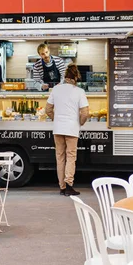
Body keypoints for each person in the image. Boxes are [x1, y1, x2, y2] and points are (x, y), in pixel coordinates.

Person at [45, 64, 89, 196]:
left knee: (60, 157)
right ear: (76, 77)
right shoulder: (79, 91)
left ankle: (62, 187)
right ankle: (69, 185)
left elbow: (48, 109)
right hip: (71, 128)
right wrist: (79, 123)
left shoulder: (56, 89)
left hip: (58, 128)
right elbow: (85, 113)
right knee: (71, 157)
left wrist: (56, 119)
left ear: (65, 76)